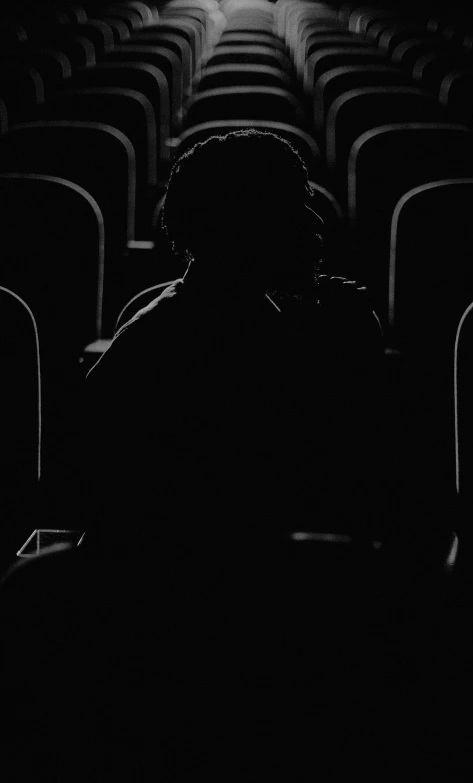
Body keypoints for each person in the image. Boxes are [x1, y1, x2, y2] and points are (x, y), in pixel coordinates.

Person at [79, 128, 384, 555]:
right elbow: (311, 498)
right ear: (240, 226)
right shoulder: (192, 351)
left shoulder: (225, 315)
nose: (315, 223)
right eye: (292, 206)